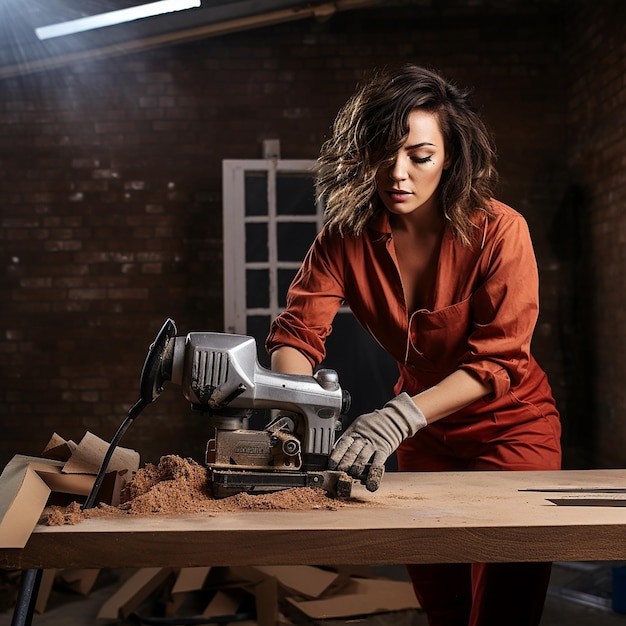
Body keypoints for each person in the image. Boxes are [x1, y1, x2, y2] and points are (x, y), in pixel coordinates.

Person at [265, 64, 562, 626]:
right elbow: (299, 334)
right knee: (442, 605)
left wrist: (399, 417)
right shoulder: (342, 237)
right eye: (382, 153)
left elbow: (499, 359)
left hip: (512, 429)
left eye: (419, 156)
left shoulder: (502, 232)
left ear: (450, 157)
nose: (397, 173)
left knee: (504, 608)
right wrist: (290, 401)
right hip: (424, 440)